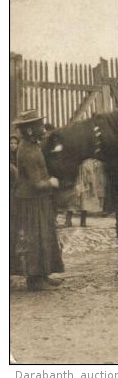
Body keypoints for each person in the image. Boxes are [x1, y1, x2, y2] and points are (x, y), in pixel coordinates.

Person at [10, 109, 65, 291]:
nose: (42, 128)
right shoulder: (28, 151)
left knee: (43, 235)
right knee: (35, 238)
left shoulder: (32, 145)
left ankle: (42, 274)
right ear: (29, 130)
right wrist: (52, 182)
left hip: (37, 200)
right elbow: (36, 183)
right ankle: (34, 280)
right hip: (30, 201)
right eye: (38, 125)